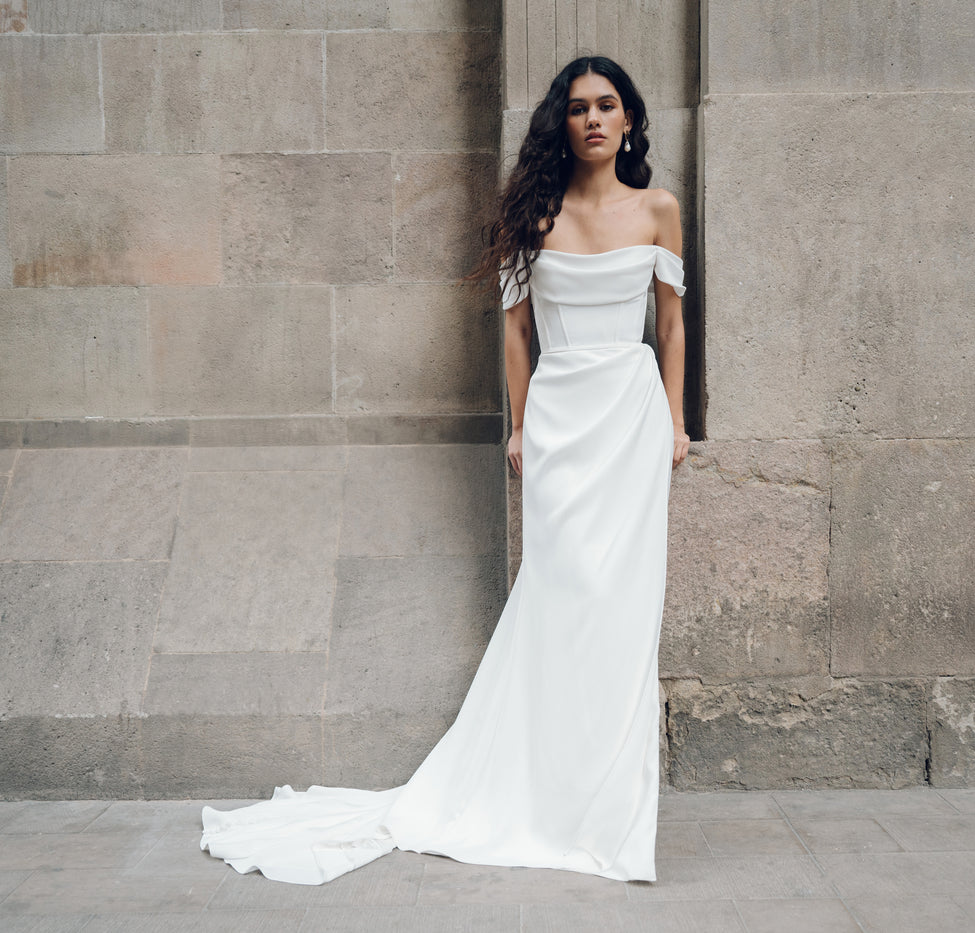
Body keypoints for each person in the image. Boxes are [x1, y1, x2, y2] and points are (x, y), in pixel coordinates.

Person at [198, 54, 689, 885]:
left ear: (631, 120)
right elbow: (514, 335)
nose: (595, 120)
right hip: (565, 425)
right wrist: (523, 424)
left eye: (609, 106)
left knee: (625, 614)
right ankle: (541, 793)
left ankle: (608, 813)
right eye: (579, 108)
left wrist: (677, 423)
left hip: (633, 426)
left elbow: (673, 327)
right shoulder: (535, 215)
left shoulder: (660, 211)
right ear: (561, 125)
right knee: (559, 601)